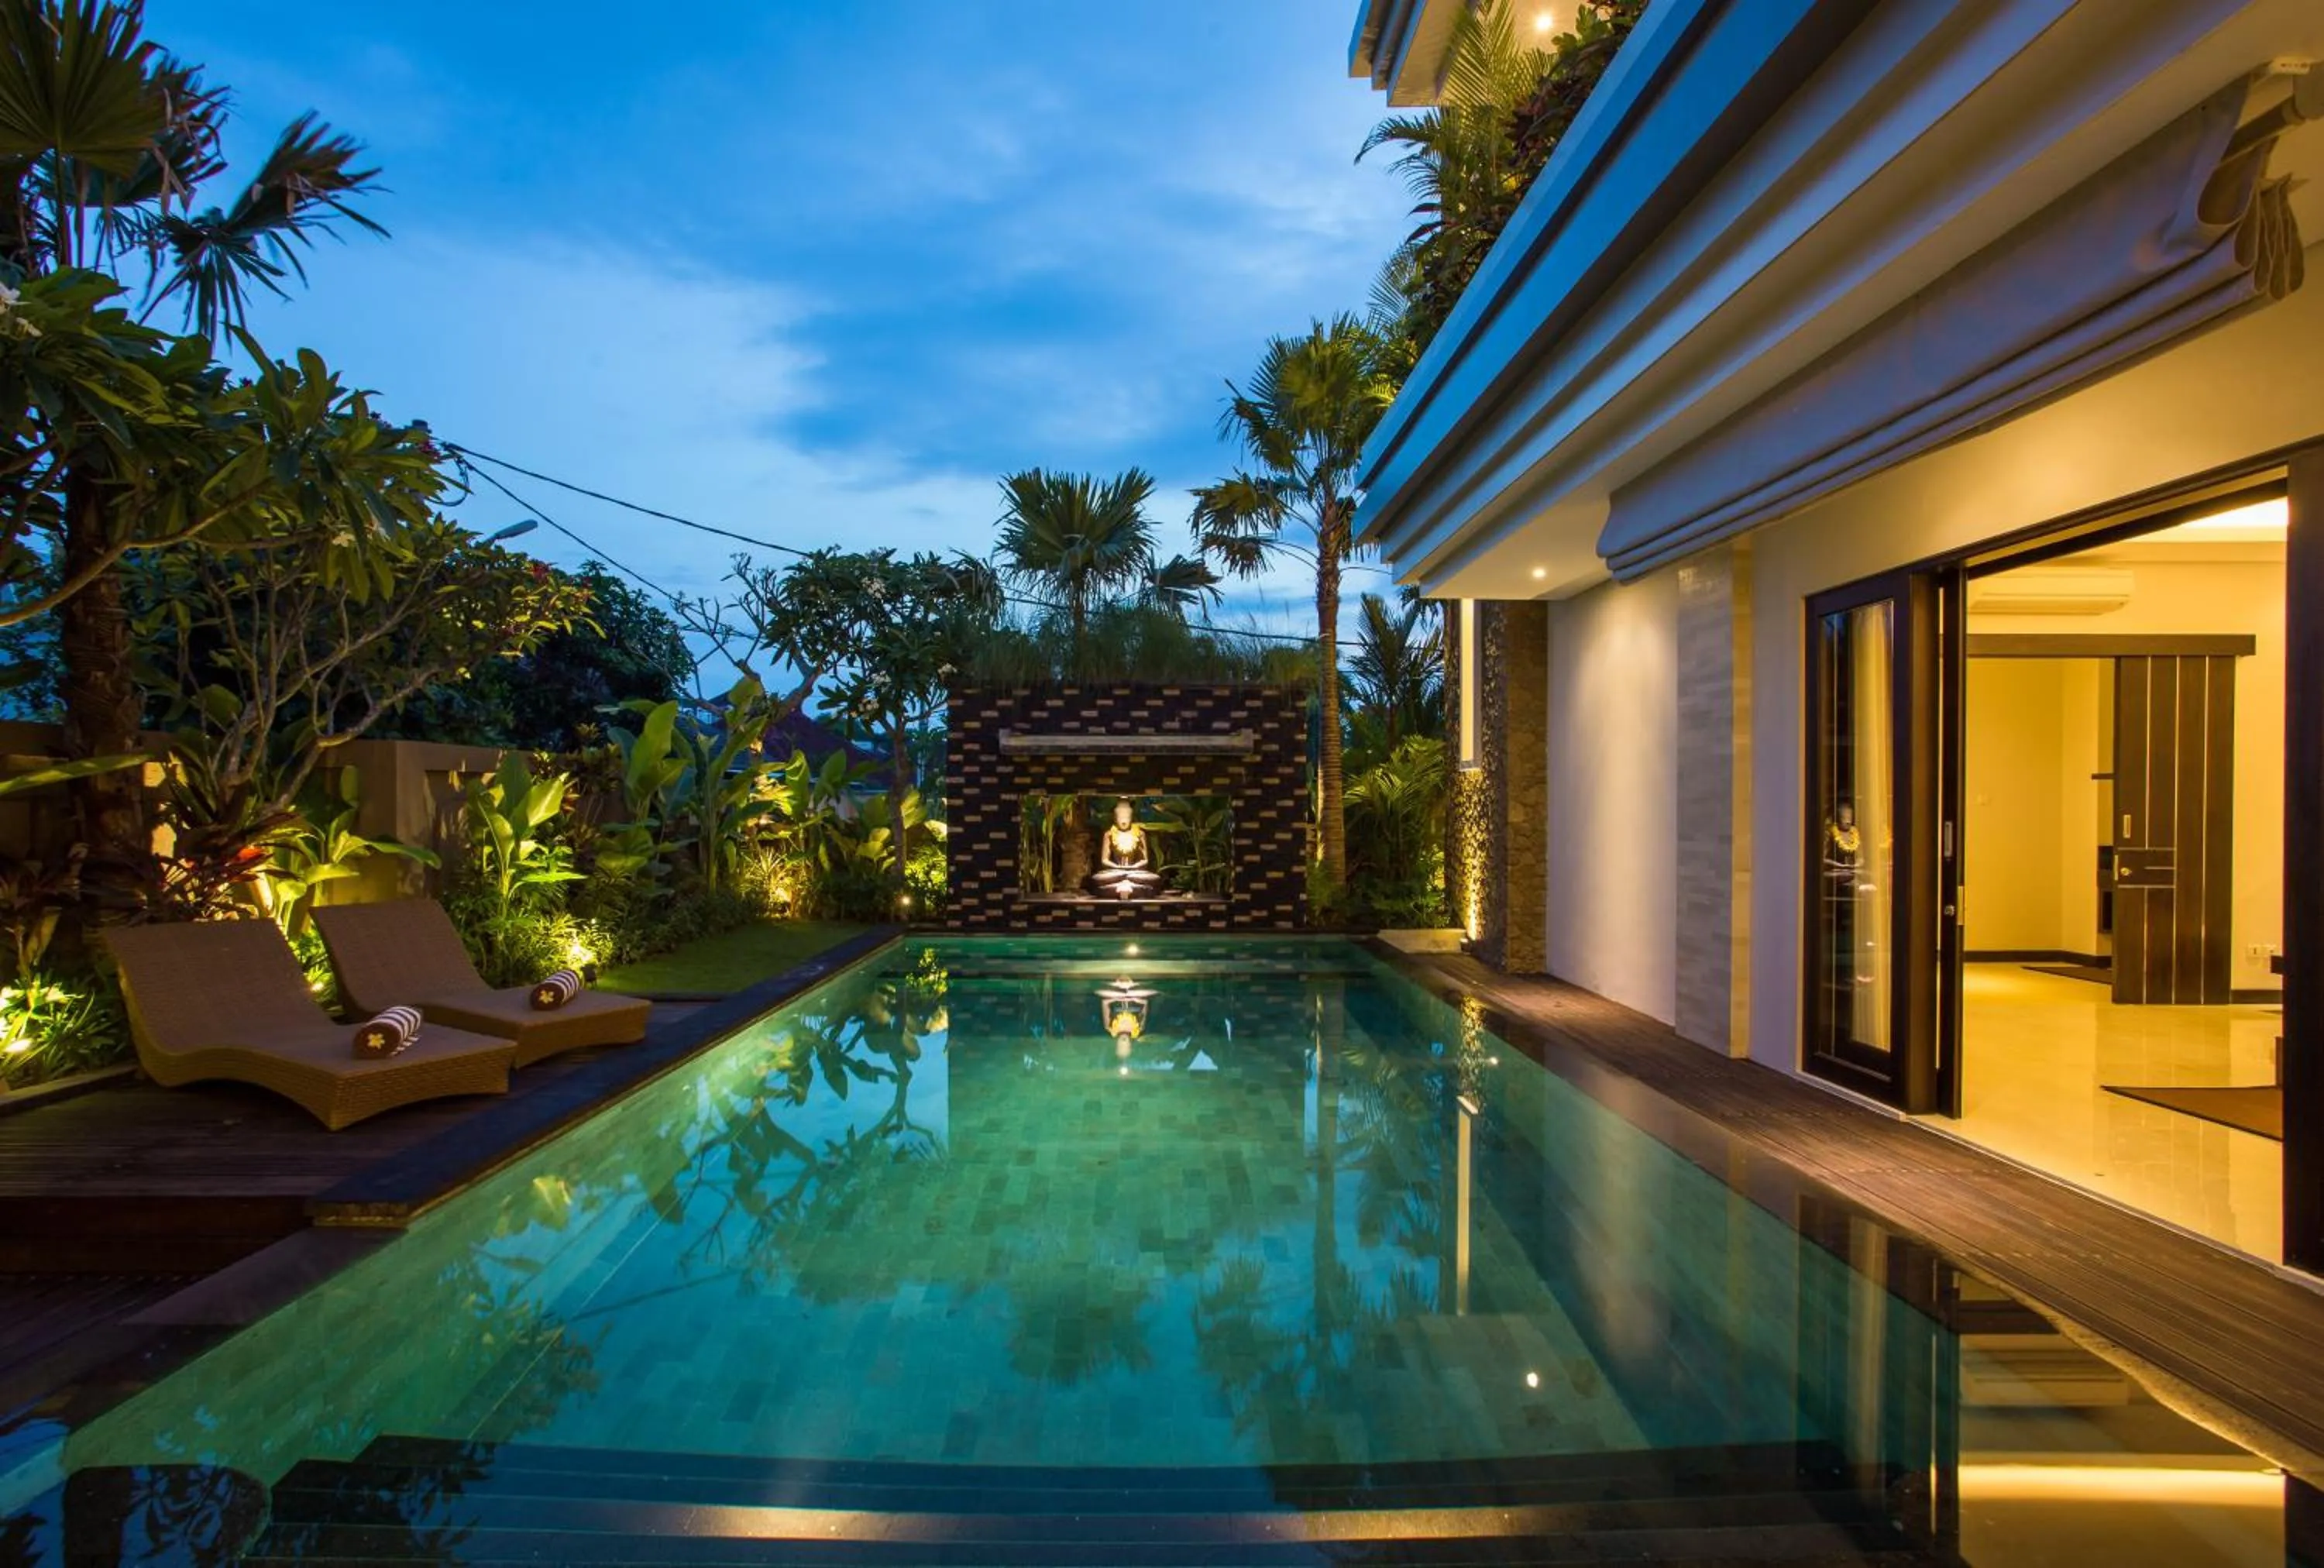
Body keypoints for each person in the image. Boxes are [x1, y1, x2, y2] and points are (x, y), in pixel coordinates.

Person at [1088, 797, 1164, 899]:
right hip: (1116, 872)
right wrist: (1117, 867)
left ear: (1131, 818)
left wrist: (1134, 867)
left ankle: (1117, 886)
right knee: (1097, 878)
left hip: (1135, 872)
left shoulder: (1140, 834)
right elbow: (1104, 860)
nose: (1124, 821)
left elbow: (1145, 860)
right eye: (1120, 818)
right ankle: (1134, 886)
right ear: (1115, 819)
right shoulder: (1109, 834)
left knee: (1153, 878)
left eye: (1127, 818)